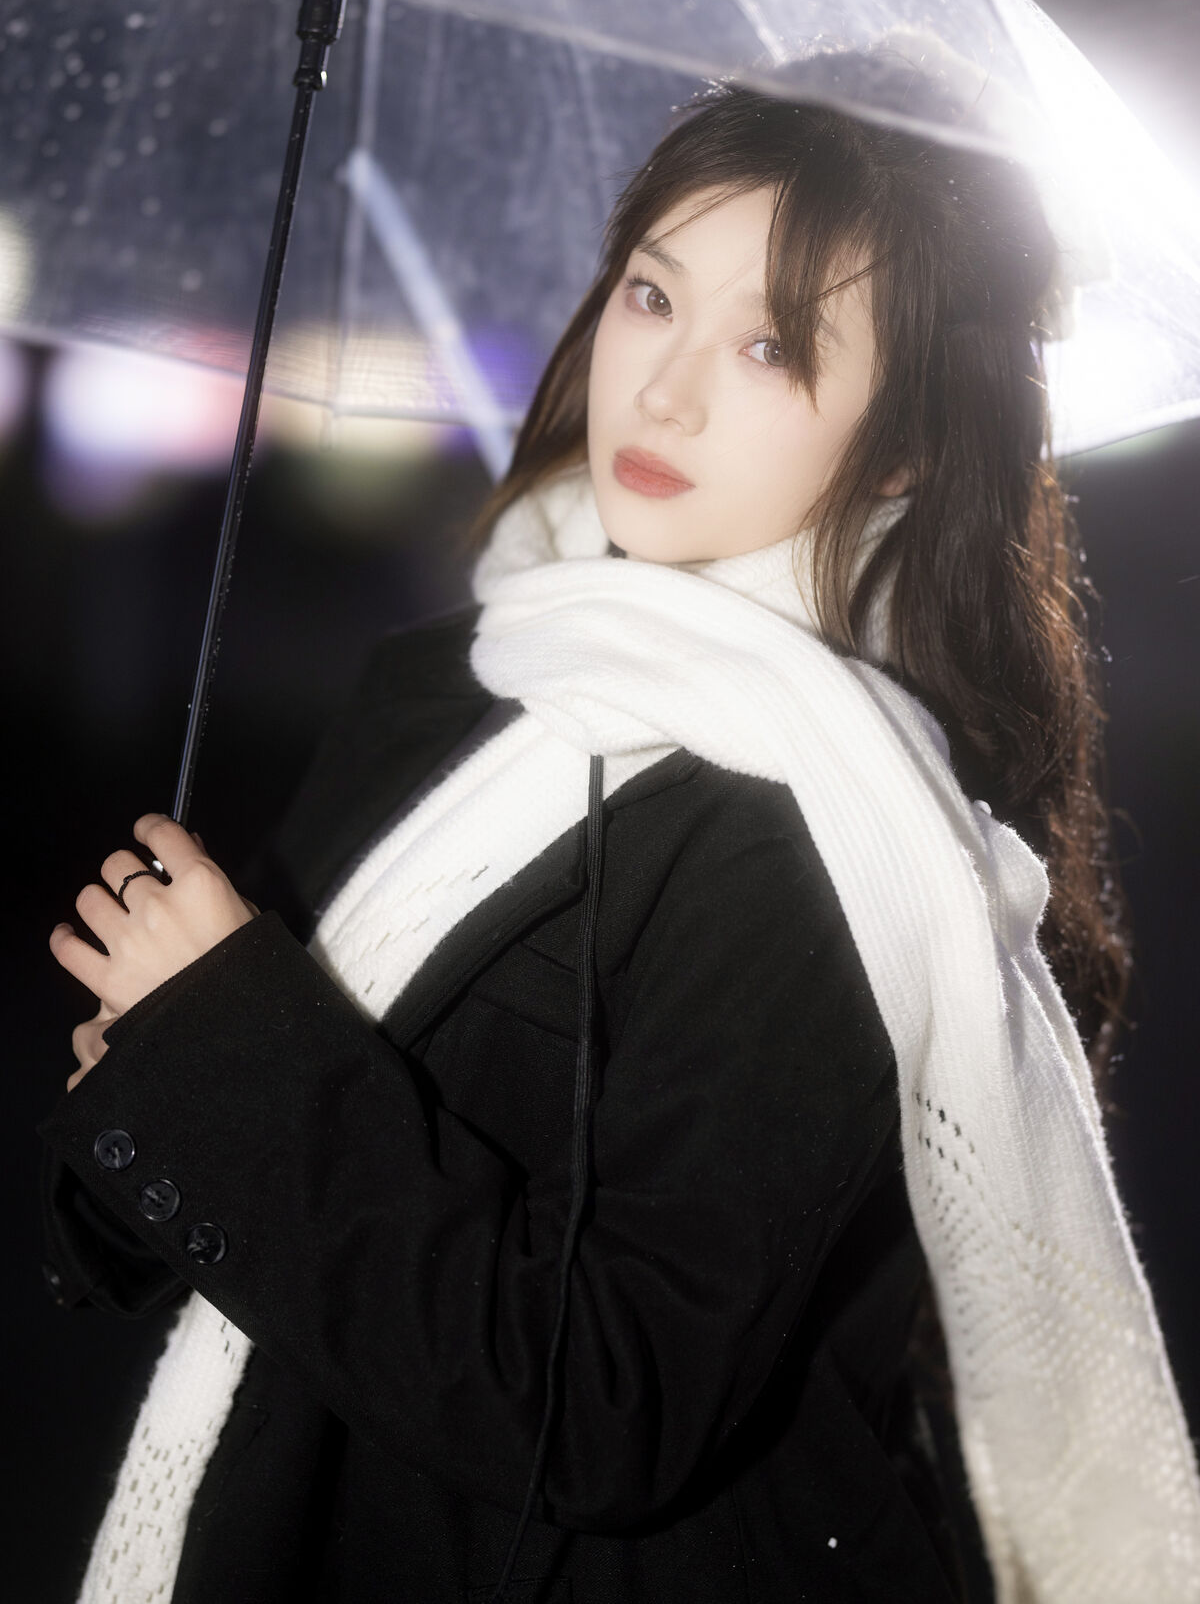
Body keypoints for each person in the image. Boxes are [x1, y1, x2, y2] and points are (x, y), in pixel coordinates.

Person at [39, 88, 1200, 1604]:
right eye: (653, 295)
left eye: (772, 346)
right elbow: (235, 1185)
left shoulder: (833, 833)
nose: (664, 391)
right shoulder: (450, 678)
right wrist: (155, 1071)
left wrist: (232, 1043)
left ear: (906, 447)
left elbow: (610, 1404)